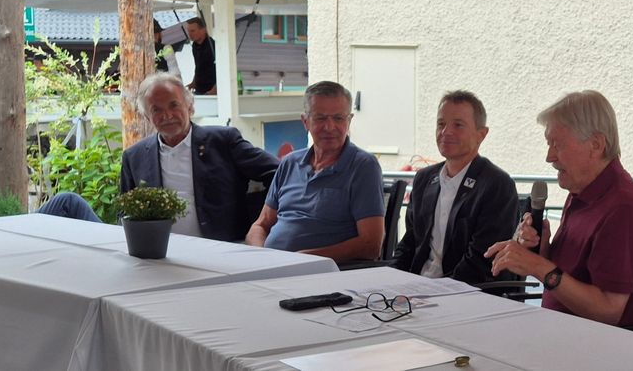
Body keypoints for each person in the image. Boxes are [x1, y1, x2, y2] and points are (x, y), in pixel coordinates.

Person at [485, 90, 633, 326]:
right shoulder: (581, 191)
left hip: (608, 345)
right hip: (563, 331)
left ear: (596, 145)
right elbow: (569, 277)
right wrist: (539, 251)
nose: (549, 157)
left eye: (557, 145)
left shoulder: (624, 208)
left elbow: (609, 311)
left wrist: (538, 266)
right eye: (549, 144)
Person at [120, 73, 280, 241]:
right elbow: (125, 211)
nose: (167, 115)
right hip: (161, 250)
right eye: (156, 110)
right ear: (147, 117)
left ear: (190, 106)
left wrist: (261, 219)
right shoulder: (134, 157)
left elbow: (280, 173)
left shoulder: (223, 141)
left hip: (224, 247)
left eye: (174, 105)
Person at [247, 81, 384, 263]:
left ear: (349, 121)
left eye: (338, 118)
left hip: (321, 272)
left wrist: (304, 260)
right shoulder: (289, 163)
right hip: (270, 266)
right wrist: (261, 257)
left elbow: (370, 245)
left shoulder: (363, 166)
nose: (329, 127)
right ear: (305, 121)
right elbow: (261, 225)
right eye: (320, 118)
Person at [392, 90, 517, 284]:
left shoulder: (496, 185)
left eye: (458, 125)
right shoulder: (424, 179)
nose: (446, 132)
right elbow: (409, 243)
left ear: (481, 134)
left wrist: (435, 290)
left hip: (464, 290)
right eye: (441, 124)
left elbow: (481, 261)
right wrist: (389, 279)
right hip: (417, 286)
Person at [184, 17, 216, 95]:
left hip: (211, 90)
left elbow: (221, 68)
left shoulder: (212, 46)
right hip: (199, 89)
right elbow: (199, 67)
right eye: (188, 31)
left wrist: (216, 87)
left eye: (192, 31)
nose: (190, 34)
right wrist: (193, 82)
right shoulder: (194, 46)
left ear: (203, 30)